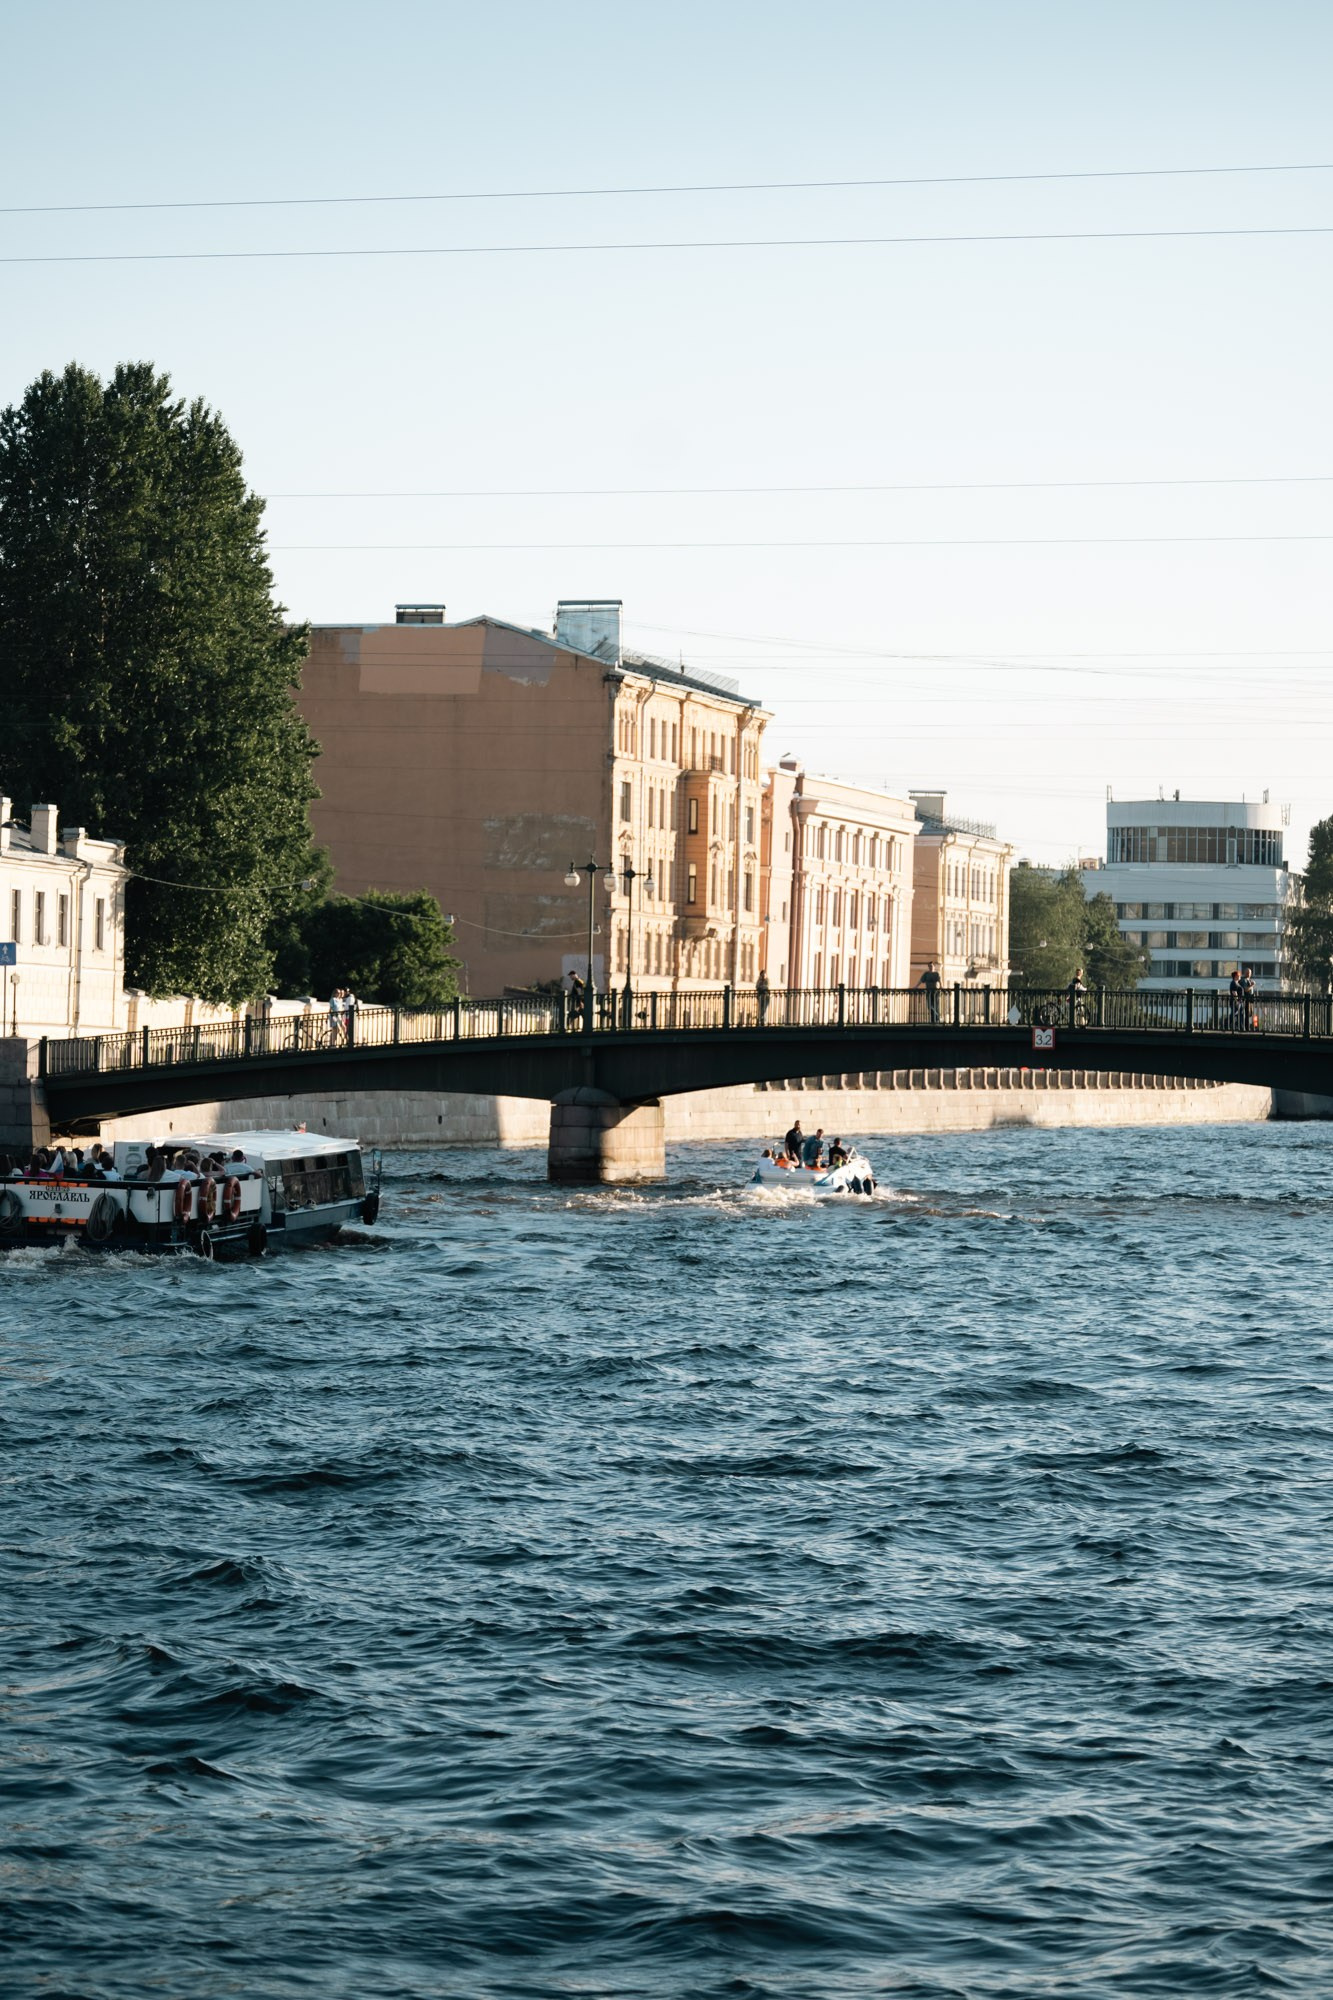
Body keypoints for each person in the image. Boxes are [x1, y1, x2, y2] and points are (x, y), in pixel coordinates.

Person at [1229, 965, 1244, 1029]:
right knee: (1234, 1014)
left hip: (1238, 1001)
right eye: (1239, 975)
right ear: (1236, 976)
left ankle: (1239, 1026)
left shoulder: (1236, 983)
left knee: (1239, 1014)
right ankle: (1229, 1025)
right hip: (1236, 1002)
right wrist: (1237, 1001)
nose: (1240, 976)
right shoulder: (1234, 983)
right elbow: (1234, 992)